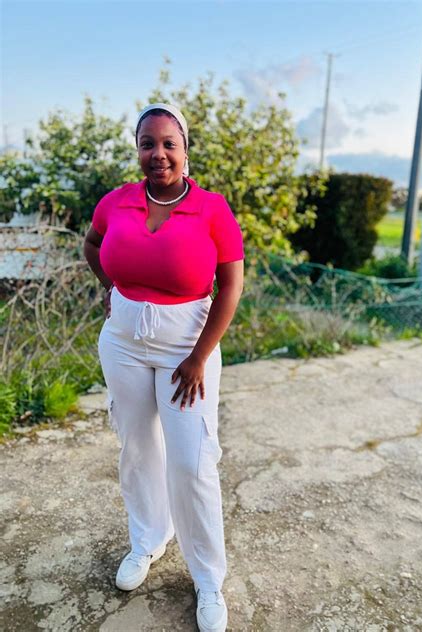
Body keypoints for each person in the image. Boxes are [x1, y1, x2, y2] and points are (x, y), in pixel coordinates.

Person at [83, 102, 244, 632]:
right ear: (137, 150)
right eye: (147, 143)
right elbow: (92, 244)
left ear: (185, 149)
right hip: (123, 343)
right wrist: (112, 289)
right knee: (137, 448)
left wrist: (199, 356)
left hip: (186, 349)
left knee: (192, 462)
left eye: (168, 143)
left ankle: (208, 579)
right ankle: (148, 539)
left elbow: (231, 286)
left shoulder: (212, 209)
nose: (158, 153)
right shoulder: (116, 202)